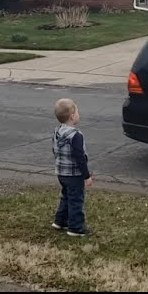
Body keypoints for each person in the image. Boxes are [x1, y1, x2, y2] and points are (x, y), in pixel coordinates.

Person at [51, 98, 93, 237]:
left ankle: (60, 221)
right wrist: (86, 175)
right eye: (78, 111)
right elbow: (79, 157)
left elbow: (54, 150)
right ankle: (76, 227)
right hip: (74, 174)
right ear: (72, 116)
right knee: (76, 199)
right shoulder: (76, 135)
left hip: (61, 172)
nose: (79, 114)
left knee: (66, 196)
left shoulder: (57, 132)